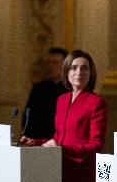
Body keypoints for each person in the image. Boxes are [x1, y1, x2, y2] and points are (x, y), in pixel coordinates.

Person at [20, 50, 108, 182]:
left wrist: (62, 149)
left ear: (91, 74)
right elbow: (58, 138)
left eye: (84, 68)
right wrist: (36, 142)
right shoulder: (62, 99)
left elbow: (96, 145)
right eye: (74, 68)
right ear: (66, 72)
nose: (79, 72)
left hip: (81, 171)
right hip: (56, 168)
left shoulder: (96, 102)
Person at [21, 47, 68, 139]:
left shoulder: (72, 89)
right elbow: (28, 115)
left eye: (55, 63)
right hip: (36, 140)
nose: (50, 66)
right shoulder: (38, 88)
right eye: (48, 63)